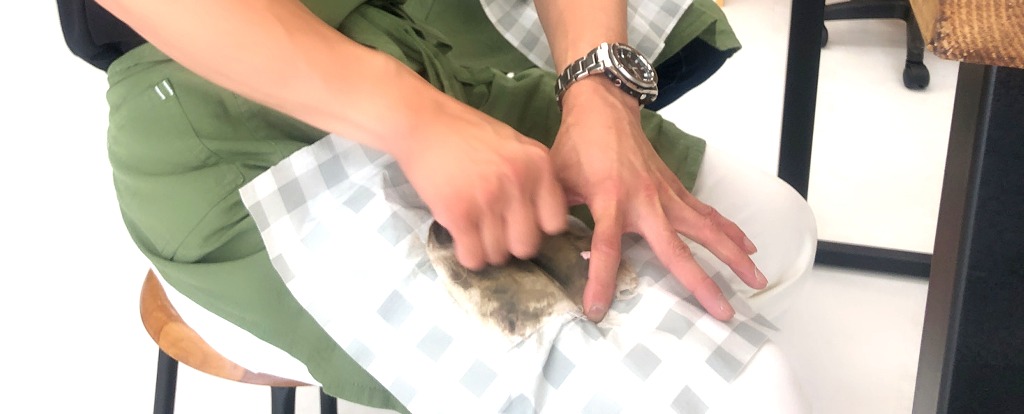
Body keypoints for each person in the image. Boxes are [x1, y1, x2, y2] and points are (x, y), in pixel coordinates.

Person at [58, 0, 814, 411]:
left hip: (403, 30)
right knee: (750, 396)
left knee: (775, 236)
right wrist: (418, 122)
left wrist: (599, 92)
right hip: (221, 107)